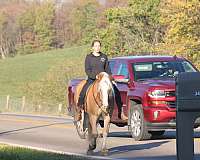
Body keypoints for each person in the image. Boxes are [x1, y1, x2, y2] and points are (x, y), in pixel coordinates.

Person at [77, 39, 128, 121]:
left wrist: (110, 77)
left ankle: (120, 112)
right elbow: (87, 70)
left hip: (104, 79)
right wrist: (95, 76)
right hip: (93, 78)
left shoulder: (104, 57)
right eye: (96, 46)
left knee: (116, 91)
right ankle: (79, 110)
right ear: (92, 47)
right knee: (84, 90)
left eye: (99, 46)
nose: (97, 47)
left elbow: (107, 69)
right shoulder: (89, 57)